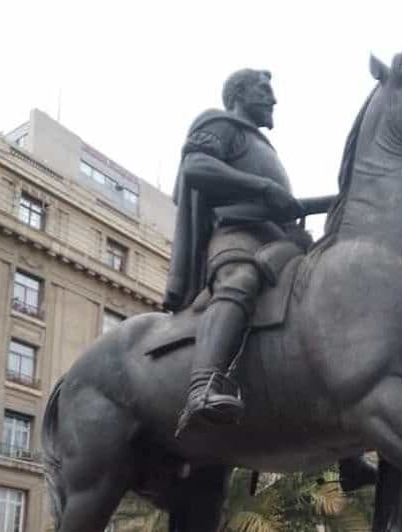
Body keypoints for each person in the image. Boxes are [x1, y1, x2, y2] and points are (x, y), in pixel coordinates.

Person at [164, 68, 307, 436]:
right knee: (240, 279)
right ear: (239, 94)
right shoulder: (220, 124)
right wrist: (263, 188)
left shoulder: (264, 146)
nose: (273, 99)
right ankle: (203, 385)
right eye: (263, 90)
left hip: (277, 240)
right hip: (236, 234)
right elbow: (196, 166)